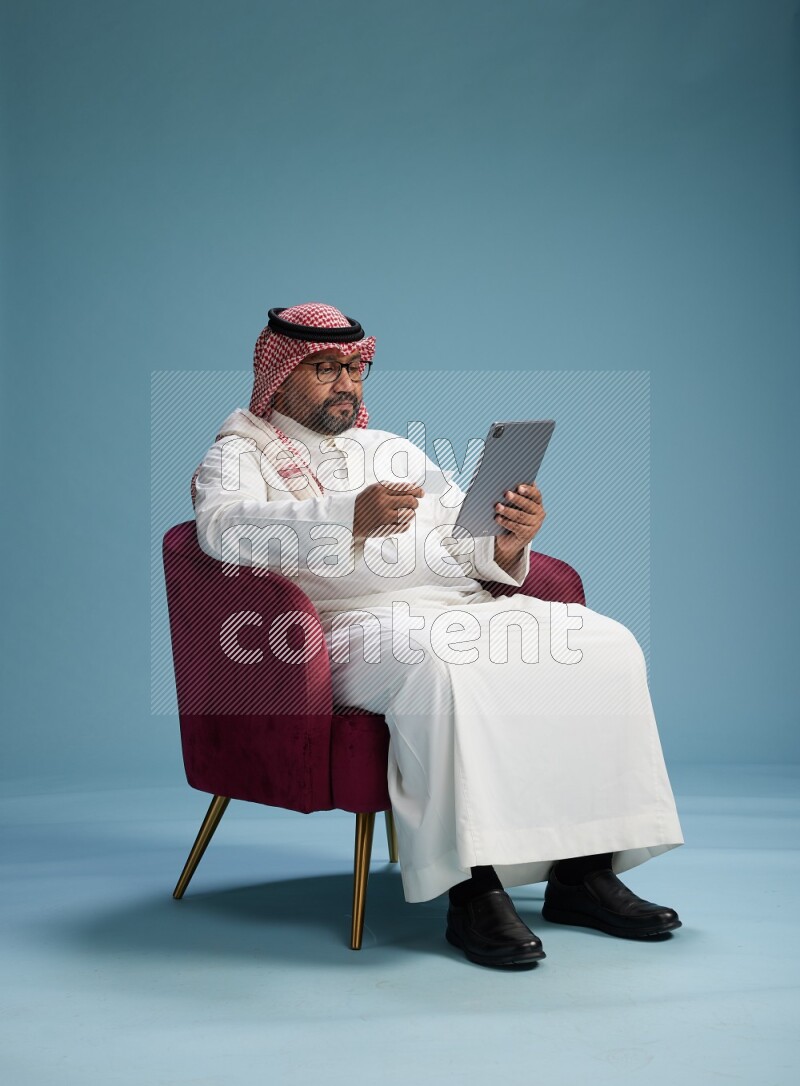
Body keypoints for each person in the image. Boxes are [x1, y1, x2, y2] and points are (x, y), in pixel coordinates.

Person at [191, 301, 684, 969]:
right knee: (441, 666)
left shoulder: (389, 448)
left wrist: (508, 541)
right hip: (341, 628)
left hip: (455, 603)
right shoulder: (238, 452)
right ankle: (471, 889)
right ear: (277, 378)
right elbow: (223, 533)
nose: (346, 383)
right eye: (325, 369)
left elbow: (462, 535)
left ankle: (584, 872)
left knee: (603, 646)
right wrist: (347, 517)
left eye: (354, 369)